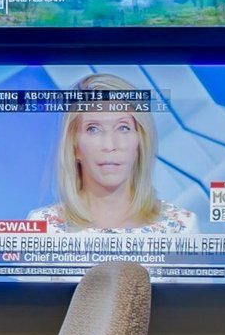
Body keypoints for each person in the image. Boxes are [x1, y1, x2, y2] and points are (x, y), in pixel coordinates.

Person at [27, 73, 196, 235]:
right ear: (74, 146)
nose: (110, 145)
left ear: (140, 142)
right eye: (93, 129)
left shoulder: (181, 228)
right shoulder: (42, 229)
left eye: (123, 128)